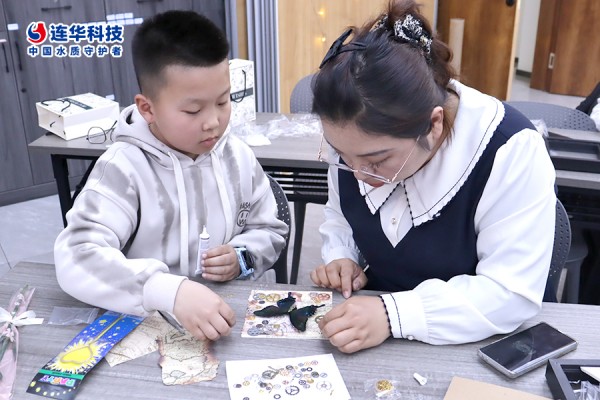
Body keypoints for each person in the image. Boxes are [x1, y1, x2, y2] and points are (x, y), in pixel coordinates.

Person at [310, 0, 557, 353]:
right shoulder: (355, 143)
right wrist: (342, 255)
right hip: (379, 339)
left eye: (377, 160)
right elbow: (341, 215)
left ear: (434, 124)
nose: (358, 175)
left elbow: (510, 293)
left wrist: (393, 314)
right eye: (341, 155)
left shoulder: (509, 150)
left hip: (485, 345)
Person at [54, 10, 288, 341]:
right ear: (147, 108)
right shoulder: (123, 169)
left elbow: (270, 229)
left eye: (223, 101)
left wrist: (242, 257)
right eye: (193, 110)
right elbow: (77, 256)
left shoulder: (237, 157)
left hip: (227, 320)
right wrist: (165, 290)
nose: (213, 122)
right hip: (148, 325)